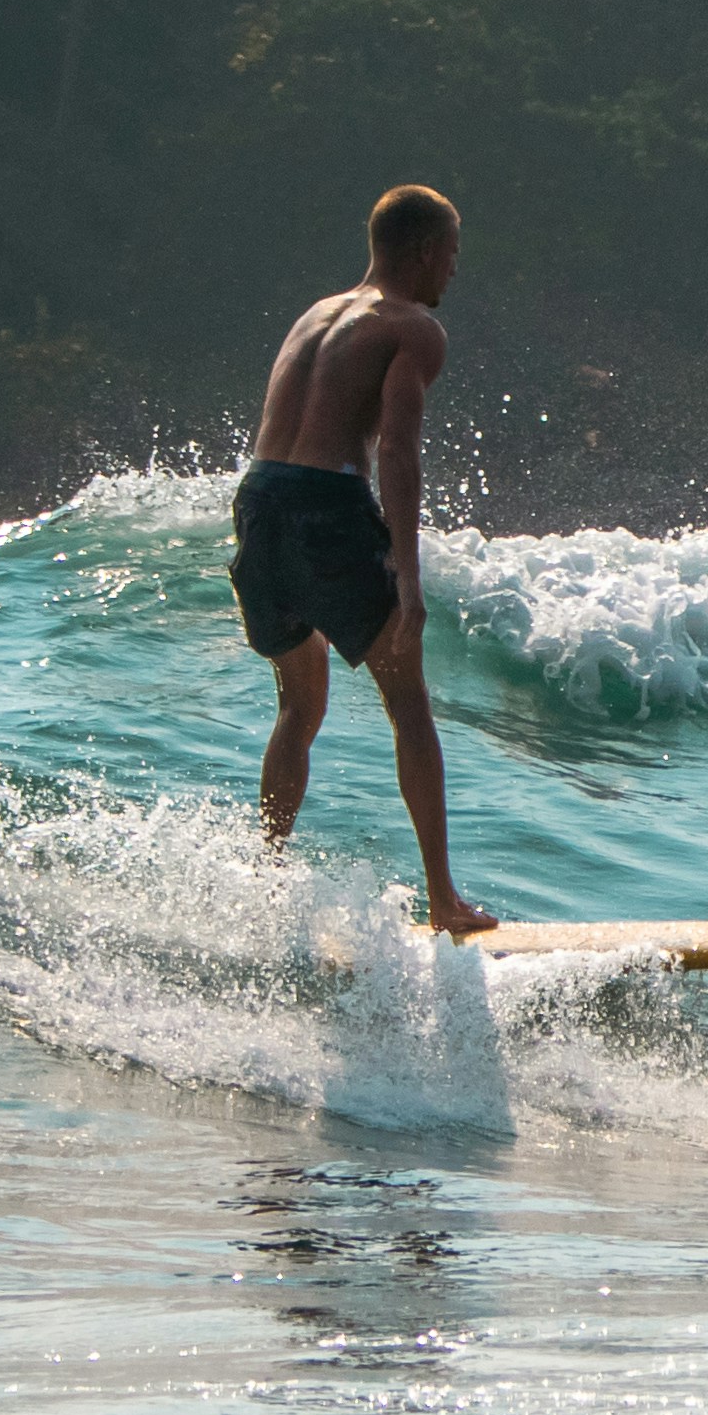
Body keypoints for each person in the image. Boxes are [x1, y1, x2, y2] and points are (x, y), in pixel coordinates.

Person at [231, 182, 488, 932]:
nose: (454, 270)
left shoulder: (315, 314)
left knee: (299, 704)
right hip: (326, 508)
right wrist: (408, 576)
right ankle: (443, 900)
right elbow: (400, 451)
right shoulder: (413, 329)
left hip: (259, 501)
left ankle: (268, 886)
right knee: (409, 701)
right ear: (426, 250)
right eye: (453, 253)